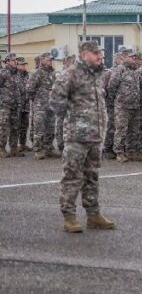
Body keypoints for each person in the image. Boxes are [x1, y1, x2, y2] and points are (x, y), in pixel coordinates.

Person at [49, 41, 114, 233]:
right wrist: (75, 118)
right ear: (84, 54)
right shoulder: (70, 74)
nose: (100, 57)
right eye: (96, 54)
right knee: (72, 176)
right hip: (77, 136)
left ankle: (93, 215)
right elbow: (55, 102)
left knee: (92, 177)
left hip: (95, 136)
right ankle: (69, 216)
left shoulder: (97, 75)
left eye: (100, 54)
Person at [26, 52, 57, 159]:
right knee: (39, 128)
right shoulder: (36, 73)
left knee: (51, 128)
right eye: (48, 59)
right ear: (42, 60)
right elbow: (30, 89)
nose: (50, 61)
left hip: (51, 105)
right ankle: (38, 150)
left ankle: (48, 148)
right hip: (40, 106)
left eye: (51, 59)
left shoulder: (52, 73)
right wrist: (37, 100)